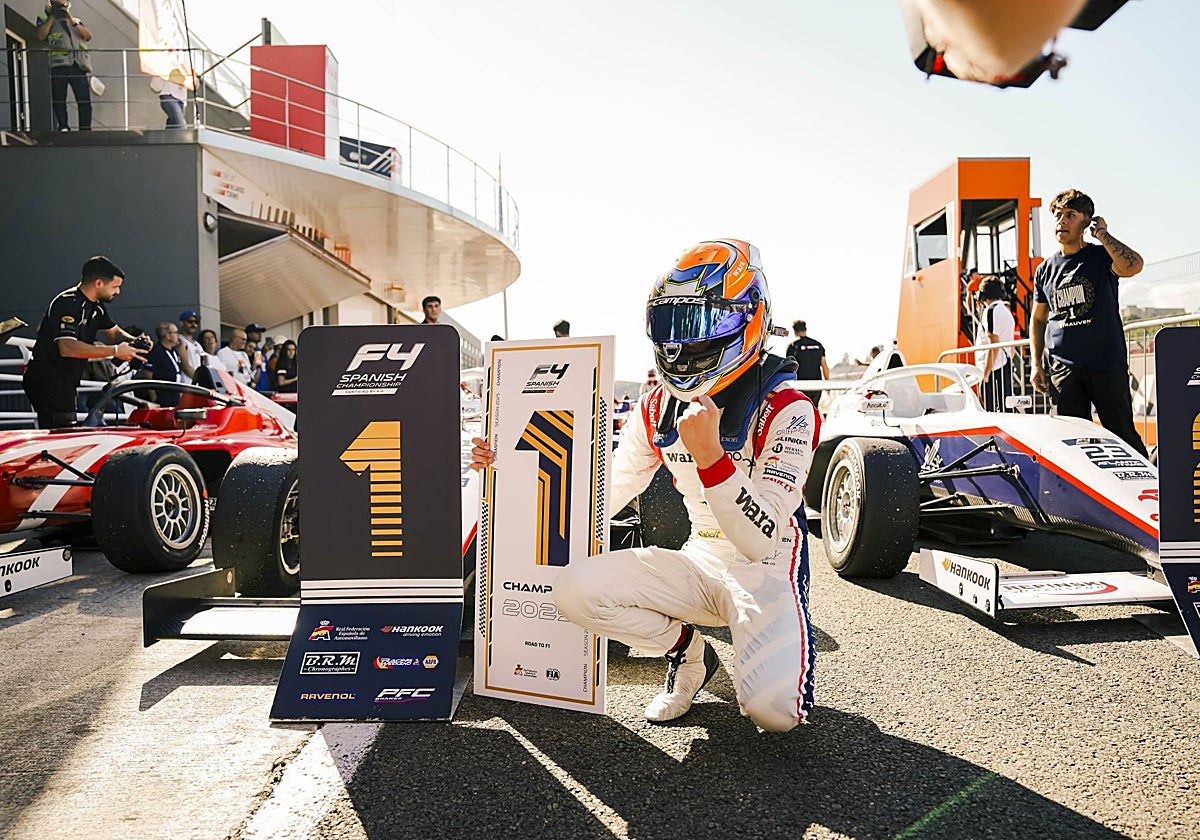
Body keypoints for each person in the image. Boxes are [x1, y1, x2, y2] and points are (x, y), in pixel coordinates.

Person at [470, 239, 818, 731]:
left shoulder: (788, 409)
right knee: (574, 590)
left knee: (774, 715)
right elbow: (598, 496)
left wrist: (712, 458)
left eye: (699, 323)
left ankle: (780, 652)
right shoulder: (656, 405)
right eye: (670, 323)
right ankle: (689, 654)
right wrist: (505, 467)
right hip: (701, 558)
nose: (680, 343)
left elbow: (759, 541)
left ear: (750, 318)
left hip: (767, 566)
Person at [1030, 189, 1147, 456]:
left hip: (1106, 365)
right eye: (1058, 215)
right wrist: (1036, 364)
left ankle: (1148, 481)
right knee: (1072, 444)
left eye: (1070, 215)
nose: (1062, 221)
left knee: (1123, 436)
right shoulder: (1045, 270)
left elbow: (1134, 266)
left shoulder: (1101, 257)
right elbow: (1038, 319)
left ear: (1086, 221)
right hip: (1063, 369)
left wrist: (1103, 234)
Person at [22, 256, 147, 428]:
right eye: (115, 287)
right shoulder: (67, 302)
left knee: (66, 428)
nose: (118, 292)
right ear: (98, 283)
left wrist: (137, 342)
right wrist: (116, 351)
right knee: (61, 430)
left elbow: (115, 333)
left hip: (66, 381)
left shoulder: (97, 306)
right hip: (47, 379)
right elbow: (67, 347)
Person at [35, 0, 94, 132]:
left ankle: (85, 129)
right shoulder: (44, 18)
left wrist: (70, 18)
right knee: (59, 98)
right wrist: (52, 16)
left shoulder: (75, 20)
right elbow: (41, 35)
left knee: (84, 99)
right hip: (58, 64)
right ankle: (63, 126)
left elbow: (88, 36)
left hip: (77, 64)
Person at [974, 276, 1015, 411]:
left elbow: (993, 343)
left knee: (991, 411)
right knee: (1005, 408)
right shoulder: (1006, 311)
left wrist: (986, 374)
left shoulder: (991, 311)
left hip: (993, 369)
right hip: (1004, 364)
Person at [138, 321, 184, 407]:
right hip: (162, 398)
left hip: (175, 397)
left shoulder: (174, 352)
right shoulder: (156, 352)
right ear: (167, 335)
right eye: (175, 332)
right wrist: (154, 398)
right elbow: (148, 376)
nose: (178, 335)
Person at [786, 320, 829, 405]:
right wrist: (828, 385)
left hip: (800, 385)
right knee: (814, 408)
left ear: (795, 331)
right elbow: (824, 365)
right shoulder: (818, 345)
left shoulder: (793, 346)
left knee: (802, 409)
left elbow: (788, 368)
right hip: (816, 385)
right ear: (805, 329)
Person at [176, 310, 201, 380]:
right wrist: (199, 379)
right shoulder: (179, 340)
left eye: (196, 322)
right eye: (190, 321)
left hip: (198, 383)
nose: (193, 324)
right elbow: (185, 367)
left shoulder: (198, 344)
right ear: (182, 323)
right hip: (187, 383)